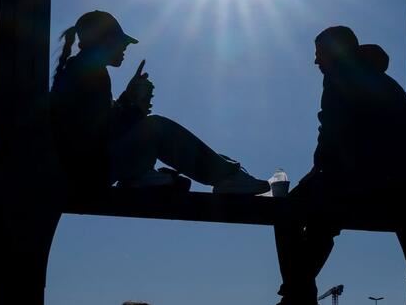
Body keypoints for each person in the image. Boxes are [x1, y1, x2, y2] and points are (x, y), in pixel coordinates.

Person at [251, 27, 406, 305]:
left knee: (284, 208)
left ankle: (298, 301)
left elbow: (334, 137)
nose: (315, 61)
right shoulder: (373, 78)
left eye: (319, 52)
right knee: (318, 222)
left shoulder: (340, 78)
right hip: (397, 184)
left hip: (366, 179)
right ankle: (298, 302)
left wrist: (313, 180)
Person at [51, 10, 268, 194]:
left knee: (154, 128)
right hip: (89, 175)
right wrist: (135, 109)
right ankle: (226, 176)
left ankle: (147, 176)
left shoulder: (80, 70)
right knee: (157, 127)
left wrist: (129, 100)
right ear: (105, 41)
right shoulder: (89, 74)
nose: (125, 47)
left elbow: (98, 124)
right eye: (122, 42)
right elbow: (97, 136)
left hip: (86, 172)